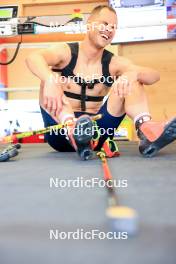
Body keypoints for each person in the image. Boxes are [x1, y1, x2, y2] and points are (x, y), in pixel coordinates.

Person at [26, 5, 176, 160]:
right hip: (59, 133)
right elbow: (33, 58)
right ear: (89, 24)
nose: (109, 30)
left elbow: (154, 75)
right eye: (104, 24)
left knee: (131, 78)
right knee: (48, 77)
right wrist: (50, 80)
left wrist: (133, 73)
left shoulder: (113, 63)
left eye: (113, 27)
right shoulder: (64, 52)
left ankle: (147, 132)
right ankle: (73, 130)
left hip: (98, 133)